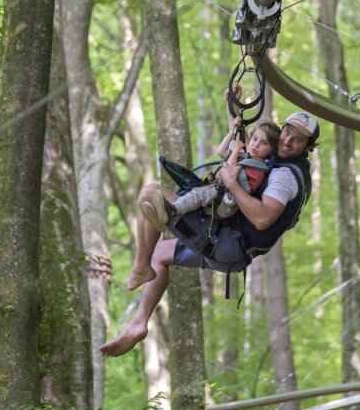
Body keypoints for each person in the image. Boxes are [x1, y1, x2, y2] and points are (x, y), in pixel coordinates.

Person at [102, 111, 320, 357]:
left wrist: (231, 182)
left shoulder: (284, 176)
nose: (288, 140)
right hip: (232, 246)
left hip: (227, 244)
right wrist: (232, 110)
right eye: (288, 132)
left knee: (151, 194)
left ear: (307, 147)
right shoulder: (281, 162)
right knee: (160, 253)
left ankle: (140, 267)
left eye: (298, 140)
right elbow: (244, 145)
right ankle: (138, 323)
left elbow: (261, 219)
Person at [155, 119, 281, 222]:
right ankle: (169, 213)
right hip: (222, 195)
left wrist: (236, 150)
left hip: (226, 202)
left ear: (271, 150)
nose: (256, 144)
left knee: (198, 195)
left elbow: (228, 172)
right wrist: (232, 131)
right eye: (255, 139)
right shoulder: (248, 158)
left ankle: (173, 210)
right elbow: (221, 152)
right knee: (196, 194)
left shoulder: (258, 166)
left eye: (264, 143)